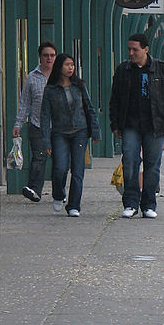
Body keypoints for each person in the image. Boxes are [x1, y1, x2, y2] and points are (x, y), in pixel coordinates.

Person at [109, 32, 164, 218]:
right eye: (129, 49)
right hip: (130, 124)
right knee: (130, 161)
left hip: (155, 125)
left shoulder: (161, 69)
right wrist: (115, 123)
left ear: (146, 49)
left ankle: (149, 204)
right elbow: (114, 99)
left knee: (152, 164)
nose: (131, 53)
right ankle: (130, 203)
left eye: (135, 49)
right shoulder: (123, 70)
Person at [39, 53, 100, 216]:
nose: (70, 68)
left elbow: (89, 108)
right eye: (67, 64)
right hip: (59, 132)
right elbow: (45, 116)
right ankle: (59, 194)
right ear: (59, 67)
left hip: (80, 131)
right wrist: (46, 141)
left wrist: (95, 131)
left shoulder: (79, 86)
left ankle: (74, 205)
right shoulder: (50, 90)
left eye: (72, 64)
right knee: (60, 167)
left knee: (78, 170)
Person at [13, 40, 57, 203]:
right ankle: (34, 190)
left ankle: (59, 192)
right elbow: (25, 102)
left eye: (52, 55)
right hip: (37, 124)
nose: (49, 58)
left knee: (60, 161)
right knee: (39, 157)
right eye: (46, 55)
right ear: (40, 57)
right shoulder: (32, 77)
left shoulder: (61, 76)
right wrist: (18, 123)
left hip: (58, 126)